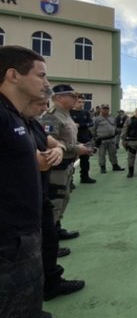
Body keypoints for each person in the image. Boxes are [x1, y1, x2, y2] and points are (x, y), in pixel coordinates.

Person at [0, 45, 51, 318]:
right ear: (13, 75)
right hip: (8, 244)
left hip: (24, 238)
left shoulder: (16, 116)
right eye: (41, 75)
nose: (46, 83)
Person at [24, 93, 86, 302]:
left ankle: (51, 277)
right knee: (51, 216)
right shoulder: (45, 118)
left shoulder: (32, 123)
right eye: (39, 103)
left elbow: (52, 142)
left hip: (59, 170)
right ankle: (47, 281)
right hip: (46, 177)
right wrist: (72, 149)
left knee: (53, 221)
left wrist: (59, 148)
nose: (43, 107)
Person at [40, 84, 92, 240]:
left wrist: (77, 148)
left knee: (64, 198)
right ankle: (48, 241)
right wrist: (77, 149)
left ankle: (56, 229)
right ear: (59, 97)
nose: (76, 99)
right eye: (72, 96)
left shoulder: (66, 114)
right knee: (55, 203)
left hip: (67, 164)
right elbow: (50, 142)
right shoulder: (52, 116)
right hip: (57, 167)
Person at [70, 93, 96, 184]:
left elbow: (90, 123)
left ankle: (84, 177)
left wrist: (80, 125)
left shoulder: (85, 113)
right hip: (74, 140)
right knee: (71, 162)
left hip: (85, 139)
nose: (81, 104)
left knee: (85, 161)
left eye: (83, 102)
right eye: (79, 102)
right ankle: (70, 181)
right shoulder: (69, 112)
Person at [93, 104, 124, 173]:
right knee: (102, 154)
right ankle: (103, 168)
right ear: (101, 110)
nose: (106, 110)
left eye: (107, 109)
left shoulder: (112, 118)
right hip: (102, 140)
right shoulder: (97, 119)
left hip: (112, 139)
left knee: (113, 153)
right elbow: (93, 129)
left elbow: (114, 127)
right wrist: (95, 139)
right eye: (104, 109)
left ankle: (115, 166)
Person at [122, 106, 137, 178]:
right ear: (136, 111)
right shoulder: (130, 120)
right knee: (131, 158)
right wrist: (123, 140)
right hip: (132, 142)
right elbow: (124, 130)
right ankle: (130, 171)